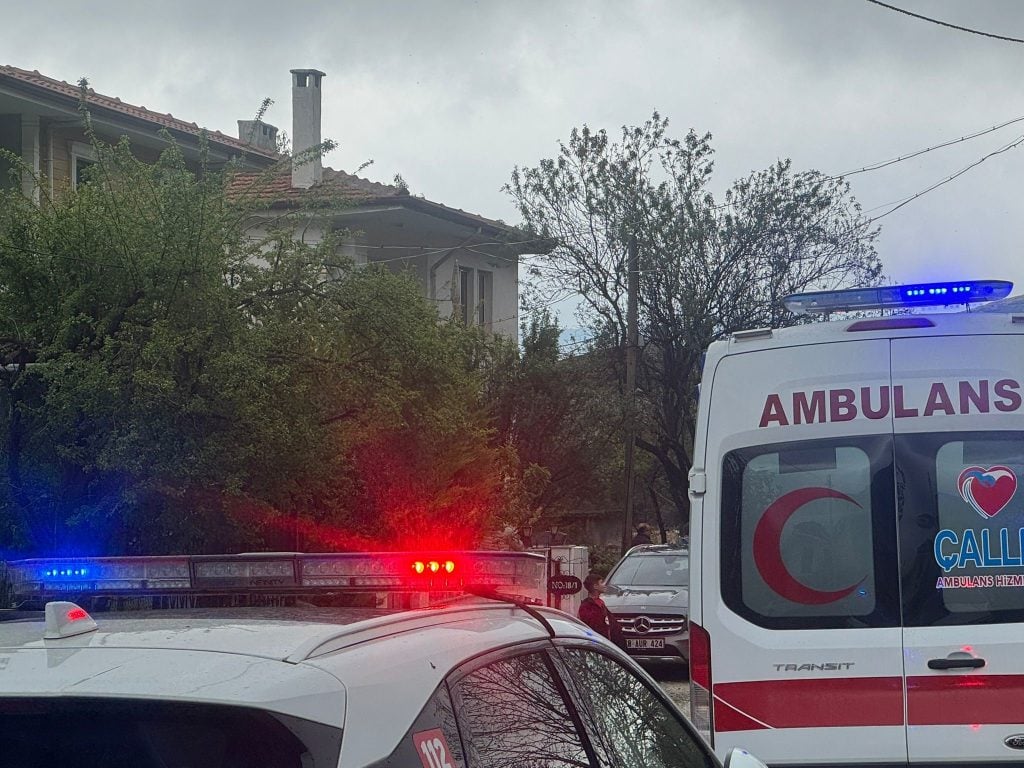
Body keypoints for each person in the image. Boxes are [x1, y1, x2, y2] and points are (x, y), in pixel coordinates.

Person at [577, 573, 622, 646]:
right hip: (596, 644)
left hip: (606, 643)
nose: (604, 585)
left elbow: (611, 623)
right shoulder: (586, 606)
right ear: (595, 586)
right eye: (601, 582)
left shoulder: (601, 603)